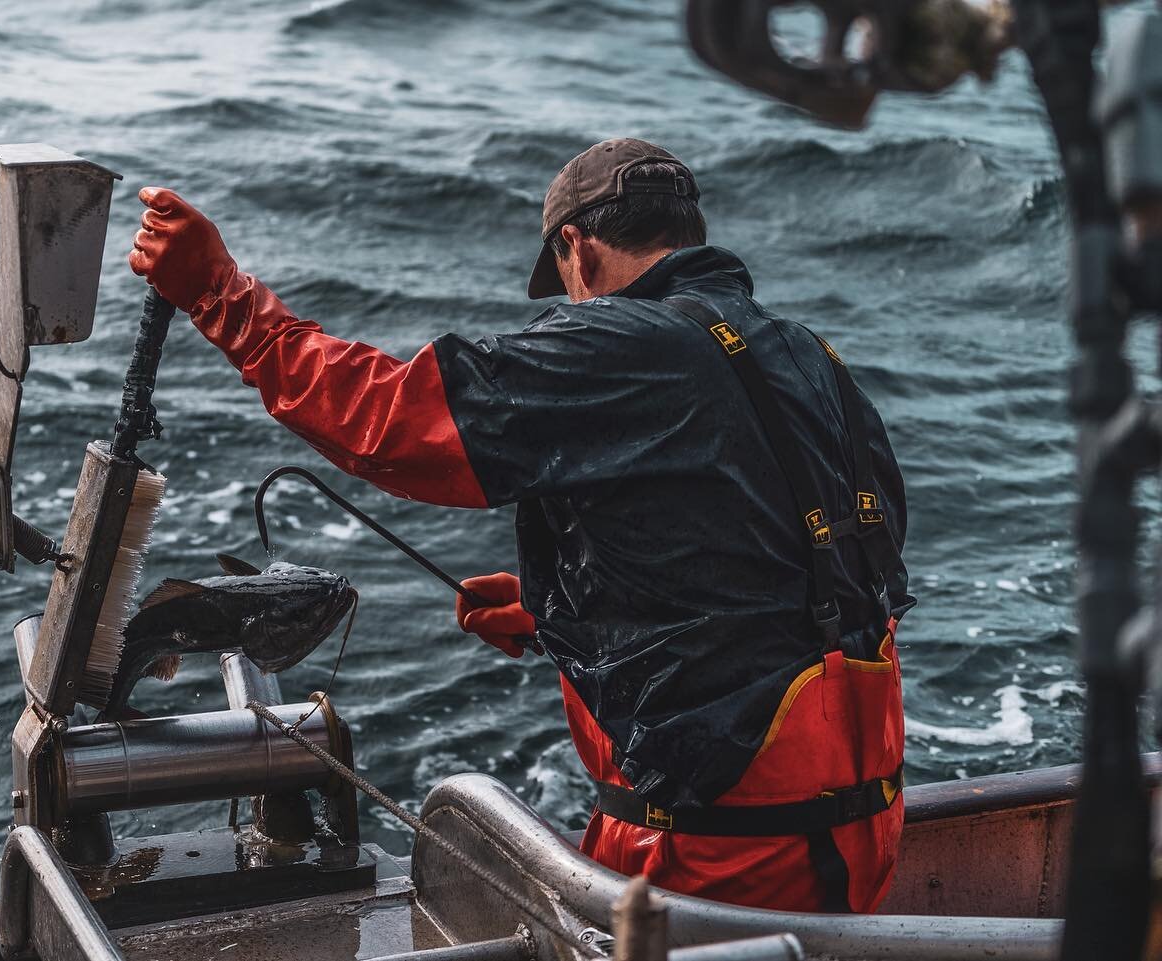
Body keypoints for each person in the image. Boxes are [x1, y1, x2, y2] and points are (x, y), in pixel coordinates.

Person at [129, 138, 912, 914]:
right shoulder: (811, 359)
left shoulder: (616, 343)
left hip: (718, 850)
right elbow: (827, 571)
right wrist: (563, 611)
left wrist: (219, 294)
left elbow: (391, 423)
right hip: (860, 828)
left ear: (576, 248)